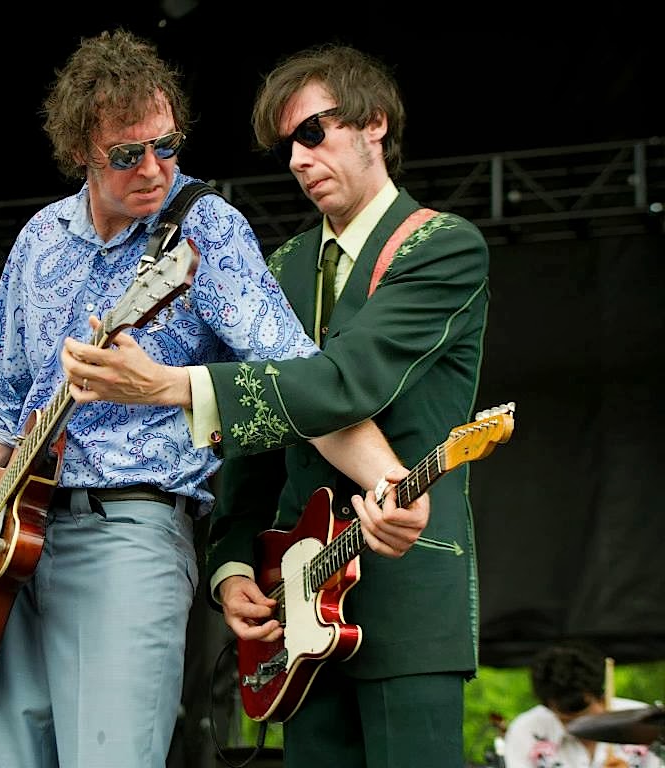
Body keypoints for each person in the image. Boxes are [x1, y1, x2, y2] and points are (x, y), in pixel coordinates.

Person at [0, 29, 429, 768]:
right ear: (81, 153)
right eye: (128, 154)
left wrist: (387, 479)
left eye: (166, 145)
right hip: (3, 555)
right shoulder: (39, 239)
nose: (154, 169)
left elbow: (296, 381)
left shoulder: (206, 229)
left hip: (127, 533)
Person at [62, 42, 492, 766]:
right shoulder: (283, 263)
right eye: (288, 143)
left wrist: (172, 384)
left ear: (375, 123)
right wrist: (233, 564)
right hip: (295, 607)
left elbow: (343, 385)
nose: (297, 158)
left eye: (314, 132)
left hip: (406, 593)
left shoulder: (443, 246)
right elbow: (258, 445)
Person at [503, 641, 663, 768]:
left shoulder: (645, 722)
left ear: (602, 697)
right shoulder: (526, 730)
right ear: (548, 707)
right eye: (566, 720)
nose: (578, 726)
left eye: (586, 718)